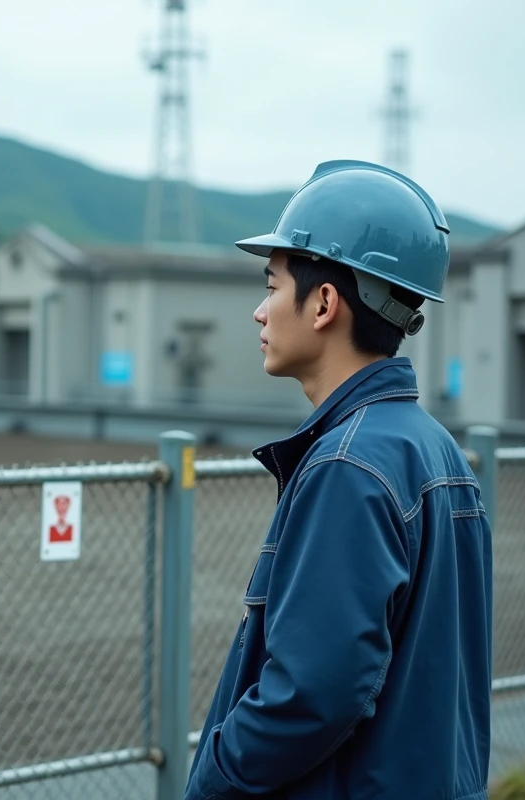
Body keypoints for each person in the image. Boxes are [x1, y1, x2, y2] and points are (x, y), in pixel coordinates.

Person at [184, 160, 494, 799]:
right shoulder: (434, 450)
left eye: (272, 286)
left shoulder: (346, 467)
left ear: (324, 303)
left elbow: (311, 694)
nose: (259, 312)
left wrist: (213, 779)